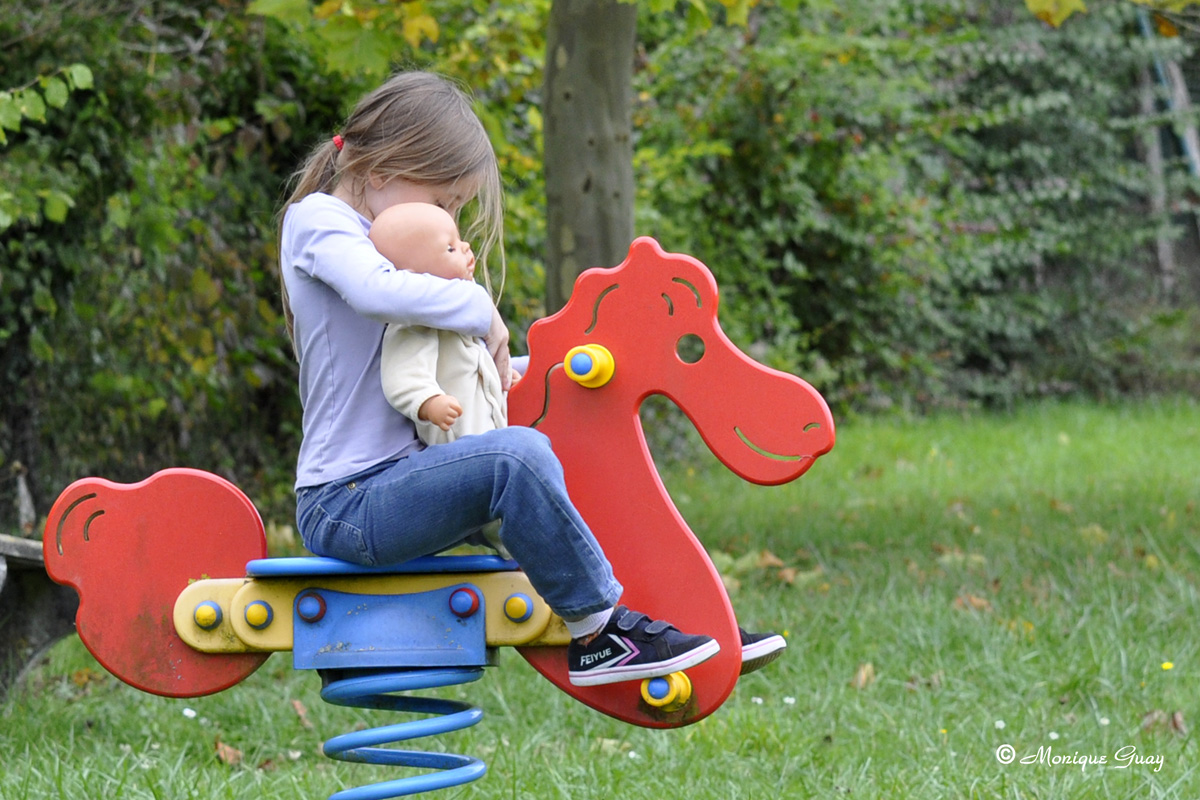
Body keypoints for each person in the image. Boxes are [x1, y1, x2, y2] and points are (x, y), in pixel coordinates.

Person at [277, 71, 719, 687]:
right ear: (379, 172)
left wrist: (553, 375)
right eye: (442, 204)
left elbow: (464, 378)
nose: (450, 226)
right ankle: (598, 636)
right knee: (517, 459)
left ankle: (672, 620)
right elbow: (375, 294)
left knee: (563, 436)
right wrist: (482, 309)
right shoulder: (320, 222)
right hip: (348, 501)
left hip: (407, 482)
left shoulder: (393, 256)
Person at [369, 202, 508, 446]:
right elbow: (402, 376)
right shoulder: (416, 324)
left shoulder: (454, 318)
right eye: (451, 248)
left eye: (460, 239)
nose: (465, 248)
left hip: (487, 441)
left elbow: (470, 364)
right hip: (456, 448)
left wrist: (497, 379)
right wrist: (429, 402)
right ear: (413, 278)